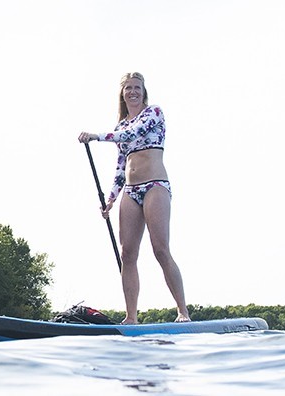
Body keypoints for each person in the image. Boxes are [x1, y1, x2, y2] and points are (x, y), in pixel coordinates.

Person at [76, 72, 189, 324]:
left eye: (137, 87)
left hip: (155, 185)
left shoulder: (153, 113)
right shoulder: (120, 126)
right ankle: (131, 317)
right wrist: (111, 198)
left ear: (143, 91)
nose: (133, 92)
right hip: (131, 189)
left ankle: (182, 311)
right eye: (128, 88)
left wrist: (96, 136)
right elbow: (120, 165)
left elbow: (132, 135)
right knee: (127, 253)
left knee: (160, 249)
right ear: (122, 93)